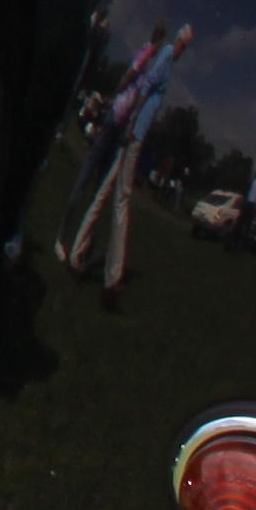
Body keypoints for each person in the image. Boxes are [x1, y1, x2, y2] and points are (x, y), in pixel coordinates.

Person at [58, 22, 188, 302]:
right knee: (121, 200)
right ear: (179, 42)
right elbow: (147, 85)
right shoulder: (166, 56)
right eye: (184, 46)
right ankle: (112, 277)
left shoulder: (166, 57)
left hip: (133, 134)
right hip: (134, 135)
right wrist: (132, 123)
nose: (182, 52)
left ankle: (78, 253)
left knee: (106, 193)